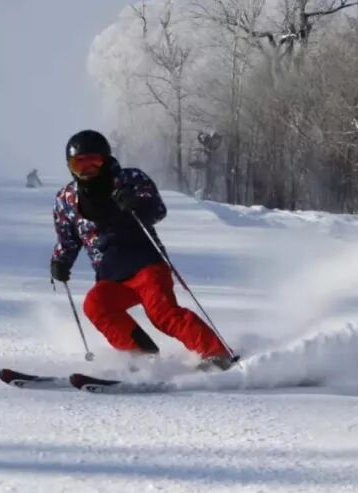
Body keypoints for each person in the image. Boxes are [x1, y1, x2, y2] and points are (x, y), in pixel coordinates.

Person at [50, 130, 232, 368]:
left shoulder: (129, 179)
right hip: (111, 275)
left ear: (105, 160)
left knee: (162, 314)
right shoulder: (66, 199)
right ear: (70, 167)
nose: (87, 171)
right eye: (78, 165)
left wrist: (136, 204)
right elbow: (68, 238)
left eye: (94, 162)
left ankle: (216, 353)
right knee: (96, 305)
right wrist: (61, 261)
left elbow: (157, 210)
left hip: (146, 265)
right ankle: (142, 356)